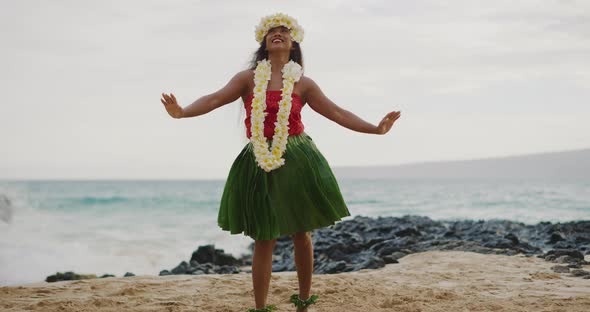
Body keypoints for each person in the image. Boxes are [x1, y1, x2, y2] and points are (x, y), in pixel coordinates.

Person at [160, 12, 401, 312]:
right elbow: (214, 99)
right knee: (264, 235)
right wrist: (182, 112)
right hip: (258, 161)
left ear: (293, 41)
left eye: (284, 31)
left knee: (302, 232)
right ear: (264, 41)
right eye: (272, 31)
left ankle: (303, 299)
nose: (278, 33)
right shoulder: (247, 79)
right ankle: (260, 307)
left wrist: (376, 129)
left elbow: (338, 113)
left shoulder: (303, 83)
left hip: (298, 157)